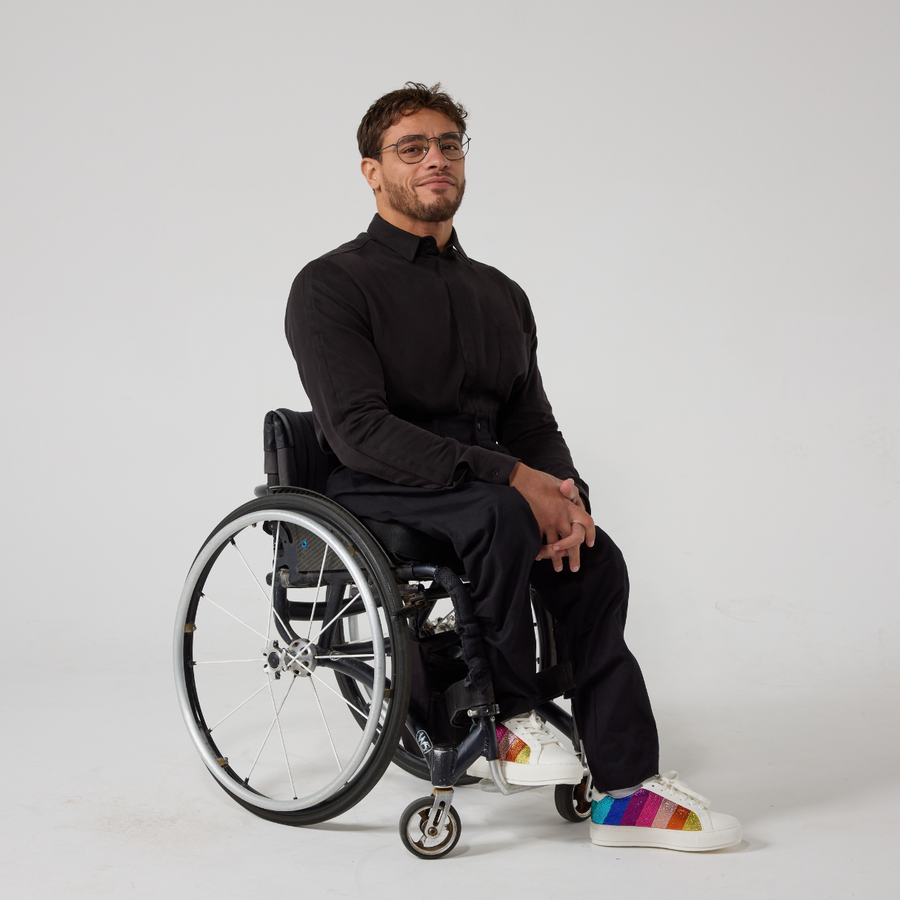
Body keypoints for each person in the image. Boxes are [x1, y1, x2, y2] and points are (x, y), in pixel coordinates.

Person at [285, 82, 741, 852]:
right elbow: (359, 429)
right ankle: (509, 721)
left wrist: (567, 498)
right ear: (372, 171)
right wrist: (510, 481)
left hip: (487, 488)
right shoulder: (332, 285)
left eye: (450, 145)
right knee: (498, 514)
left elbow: (532, 423)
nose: (437, 159)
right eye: (413, 148)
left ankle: (625, 790)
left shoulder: (500, 295)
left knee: (595, 560)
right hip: (376, 483)